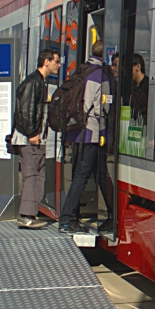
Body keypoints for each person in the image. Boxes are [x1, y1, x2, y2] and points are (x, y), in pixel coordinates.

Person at [59, 40, 115, 234]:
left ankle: (111, 214)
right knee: (86, 176)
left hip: (77, 131)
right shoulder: (101, 75)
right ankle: (67, 219)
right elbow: (104, 107)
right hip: (92, 132)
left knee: (93, 174)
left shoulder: (82, 71)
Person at [11, 48, 61, 229]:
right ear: (46, 61)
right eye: (56, 61)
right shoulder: (34, 83)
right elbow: (25, 110)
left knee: (37, 175)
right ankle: (26, 215)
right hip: (29, 139)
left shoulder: (38, 82)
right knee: (32, 175)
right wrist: (32, 133)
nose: (59, 65)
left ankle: (30, 212)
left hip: (34, 138)